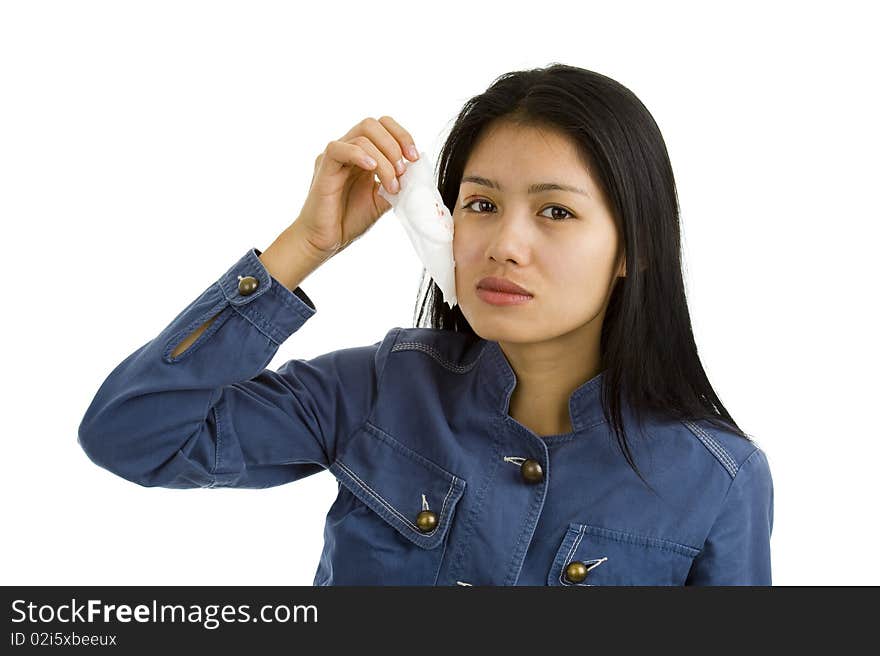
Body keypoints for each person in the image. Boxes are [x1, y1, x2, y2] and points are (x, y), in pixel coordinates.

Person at [78, 63, 774, 586]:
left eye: (555, 212)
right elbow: (132, 436)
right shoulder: (381, 388)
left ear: (635, 248)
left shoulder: (718, 481)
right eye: (479, 205)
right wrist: (303, 246)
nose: (505, 244)